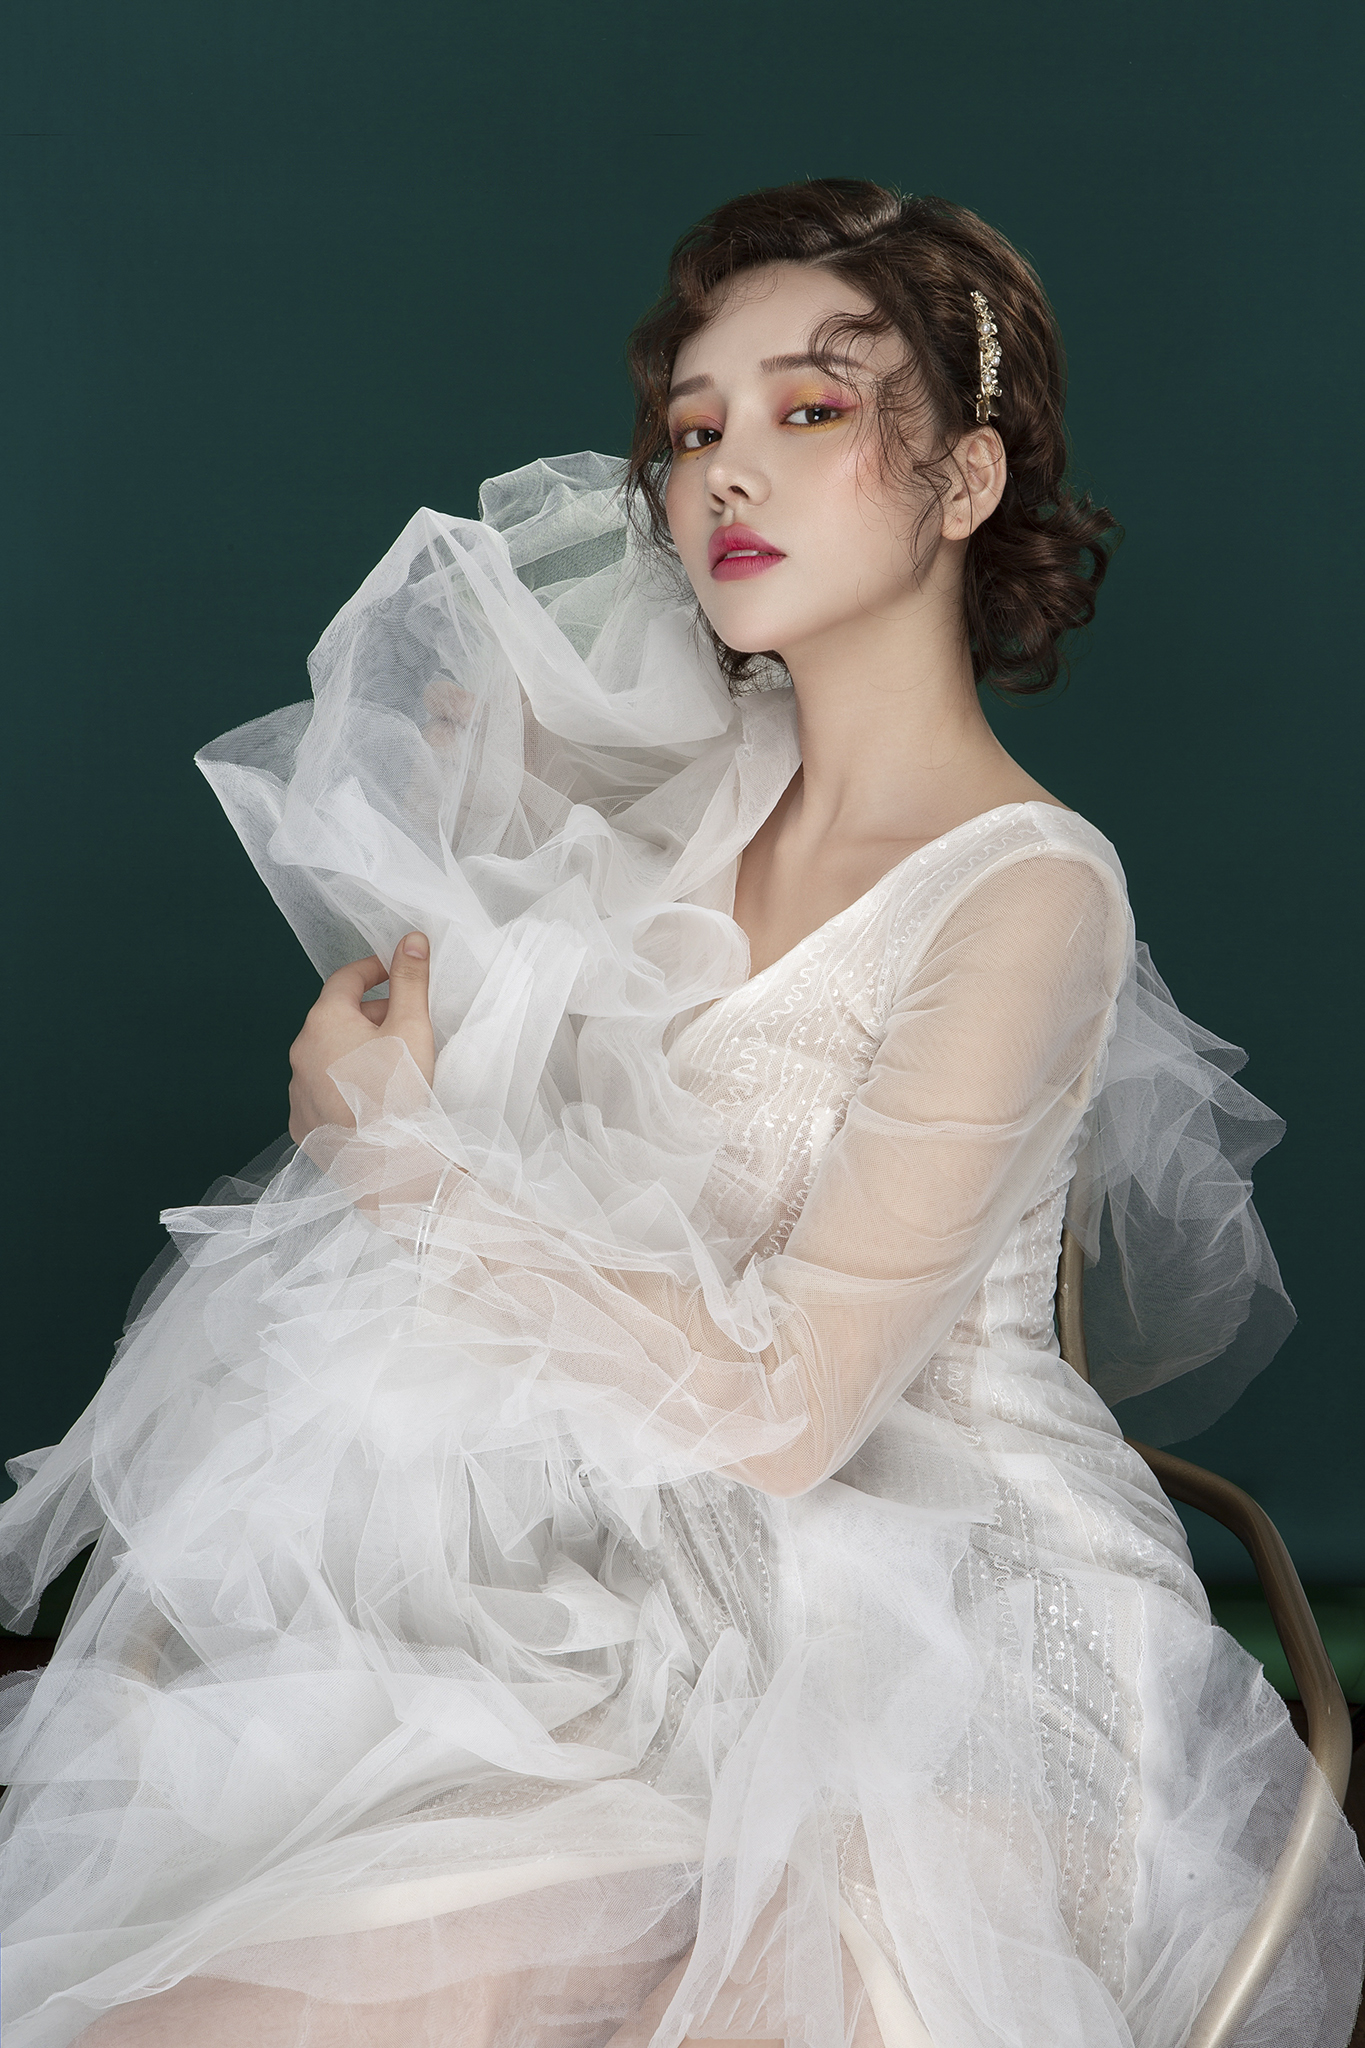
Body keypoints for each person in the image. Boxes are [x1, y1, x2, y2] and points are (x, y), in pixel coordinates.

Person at [0, 178, 1360, 2048]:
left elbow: (797, 1414)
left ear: (964, 480)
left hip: (930, 1625)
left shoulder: (1027, 892)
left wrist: (400, 1158)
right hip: (629, 1572)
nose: (728, 472)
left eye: (811, 410)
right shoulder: (668, 801)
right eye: (695, 429)